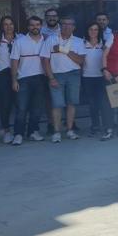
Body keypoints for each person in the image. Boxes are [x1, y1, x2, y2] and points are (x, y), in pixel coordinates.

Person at [41, 15, 85, 143]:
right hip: (56, 75)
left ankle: (70, 130)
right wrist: (51, 78)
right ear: (60, 26)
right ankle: (56, 132)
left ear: (74, 27)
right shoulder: (50, 40)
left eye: (70, 24)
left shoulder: (78, 41)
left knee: (72, 103)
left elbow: (81, 60)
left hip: (73, 74)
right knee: (57, 104)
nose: (66, 26)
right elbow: (45, 60)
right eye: (64, 24)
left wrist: (63, 50)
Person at [10, 16, 47, 146]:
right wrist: (14, 80)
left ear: (41, 26)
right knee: (21, 108)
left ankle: (33, 132)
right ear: (28, 27)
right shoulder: (19, 41)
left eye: (37, 24)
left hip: (41, 78)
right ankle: (18, 134)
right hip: (23, 78)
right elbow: (14, 62)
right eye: (32, 25)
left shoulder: (46, 40)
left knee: (37, 109)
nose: (35, 27)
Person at [0, 16, 18, 143]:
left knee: (19, 103)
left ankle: (19, 131)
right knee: (5, 103)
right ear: (2, 26)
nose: (8, 27)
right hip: (1, 74)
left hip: (18, 74)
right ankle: (6, 130)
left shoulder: (21, 39)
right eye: (5, 24)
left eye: (11, 24)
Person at [81, 22, 107, 138]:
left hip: (101, 77)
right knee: (92, 104)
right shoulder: (82, 43)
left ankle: (107, 125)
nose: (93, 31)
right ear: (87, 31)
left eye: (96, 29)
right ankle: (95, 126)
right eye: (91, 29)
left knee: (103, 103)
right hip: (87, 78)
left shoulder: (104, 44)